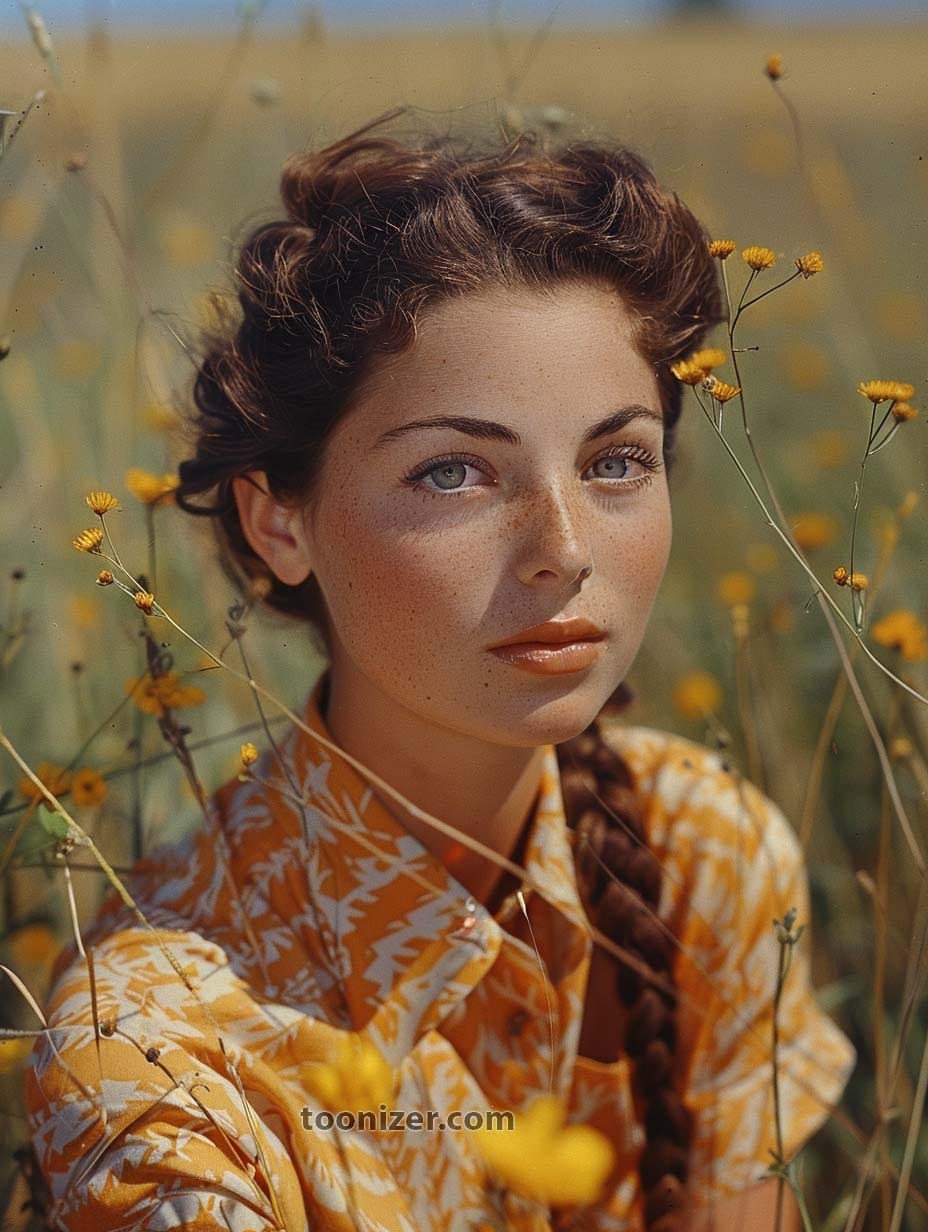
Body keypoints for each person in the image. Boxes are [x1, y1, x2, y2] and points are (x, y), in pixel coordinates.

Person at [24, 107, 856, 1231]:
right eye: (454, 472)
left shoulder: (711, 853)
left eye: (616, 459)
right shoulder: (155, 1045)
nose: (564, 548)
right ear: (280, 522)